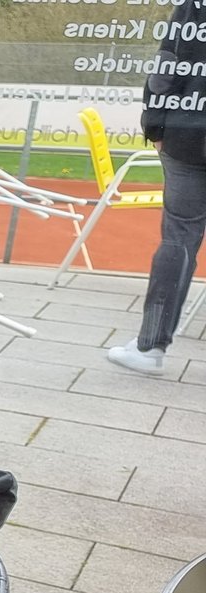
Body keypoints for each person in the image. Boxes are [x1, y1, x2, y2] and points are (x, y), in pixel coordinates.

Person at [112, 0, 206, 376]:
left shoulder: (195, 7)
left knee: (178, 240)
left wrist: (154, 124)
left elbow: (167, 67)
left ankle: (150, 347)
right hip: (188, 139)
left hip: (189, 137)